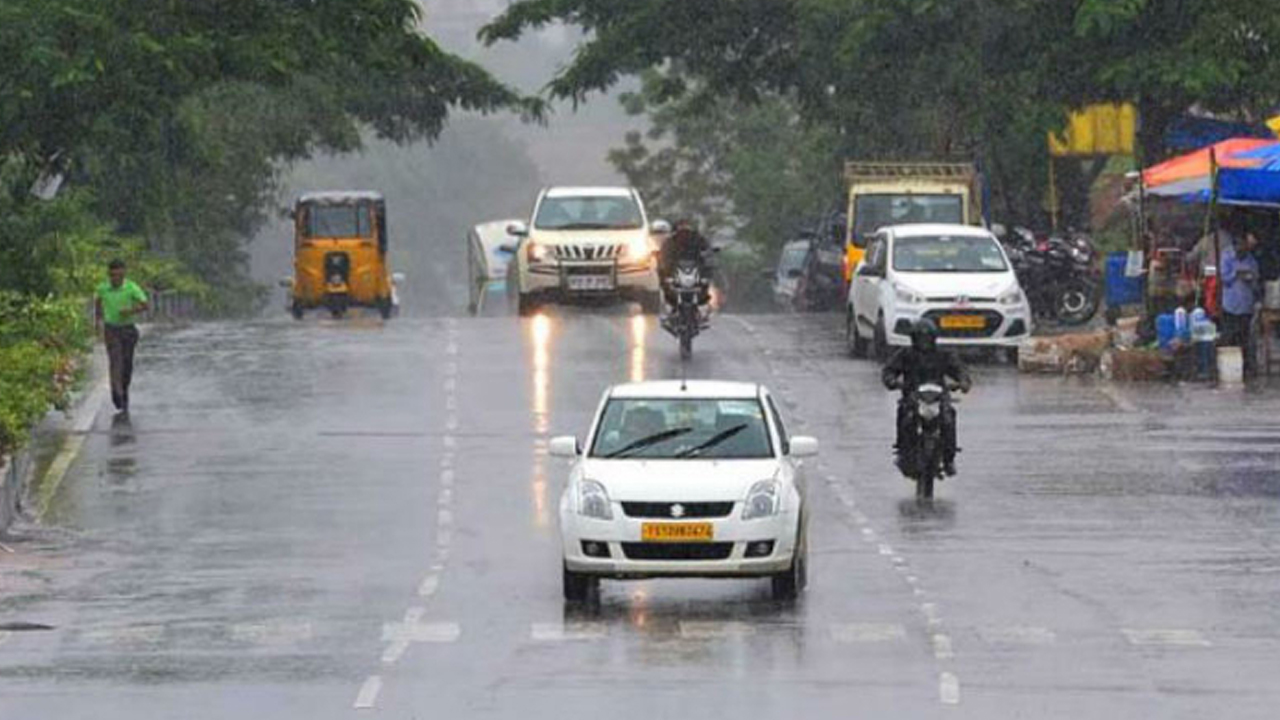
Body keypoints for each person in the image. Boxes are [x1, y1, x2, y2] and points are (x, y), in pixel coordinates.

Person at [881, 320, 972, 476]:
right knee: (905, 416)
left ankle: (949, 458)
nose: (924, 343)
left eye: (927, 339)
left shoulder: (943, 355)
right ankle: (903, 452)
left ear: (933, 338)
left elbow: (959, 369)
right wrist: (892, 381)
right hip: (912, 396)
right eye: (920, 338)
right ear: (914, 339)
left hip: (939, 397)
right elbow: (889, 370)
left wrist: (963, 381)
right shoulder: (905, 354)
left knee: (948, 418)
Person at [95, 259, 149, 413]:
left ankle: (124, 390)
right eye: (112, 275)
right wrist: (97, 323)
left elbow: (145, 305)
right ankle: (116, 392)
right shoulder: (103, 288)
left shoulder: (131, 287)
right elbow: (97, 303)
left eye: (119, 275)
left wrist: (131, 311)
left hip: (128, 330)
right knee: (115, 360)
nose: (115, 278)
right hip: (111, 329)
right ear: (109, 275)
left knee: (126, 364)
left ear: (124, 273)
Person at [1219, 231, 1261, 377]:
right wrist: (1236, 274)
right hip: (1230, 303)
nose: (1243, 251)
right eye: (1241, 247)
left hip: (1245, 304)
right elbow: (1223, 277)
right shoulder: (1227, 256)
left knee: (1245, 337)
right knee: (1229, 336)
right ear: (1237, 245)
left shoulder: (1251, 260)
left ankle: (1245, 368)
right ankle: (1226, 368)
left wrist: (1251, 279)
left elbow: (1256, 280)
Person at [657, 219, 713, 308]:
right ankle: (670, 301)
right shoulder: (671, 240)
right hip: (676, 271)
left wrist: (707, 257)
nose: (684, 228)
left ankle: (703, 299)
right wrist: (666, 266)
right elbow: (664, 254)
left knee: (706, 278)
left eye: (686, 225)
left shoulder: (698, 238)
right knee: (664, 278)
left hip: (694, 271)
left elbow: (707, 251)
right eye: (682, 225)